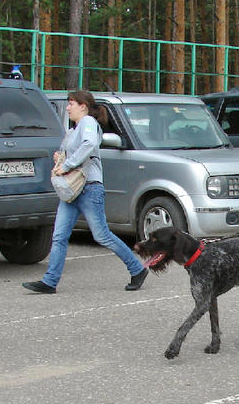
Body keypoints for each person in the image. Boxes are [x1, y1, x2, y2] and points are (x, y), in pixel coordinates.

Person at [23, 90, 148, 294]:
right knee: (59, 235)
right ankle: (50, 281)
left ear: (84, 106)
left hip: (89, 187)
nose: (68, 107)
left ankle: (137, 269)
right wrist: (60, 157)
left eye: (72, 103)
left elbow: (90, 145)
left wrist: (67, 165)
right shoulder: (74, 128)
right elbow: (74, 150)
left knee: (102, 235)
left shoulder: (88, 122)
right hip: (72, 190)